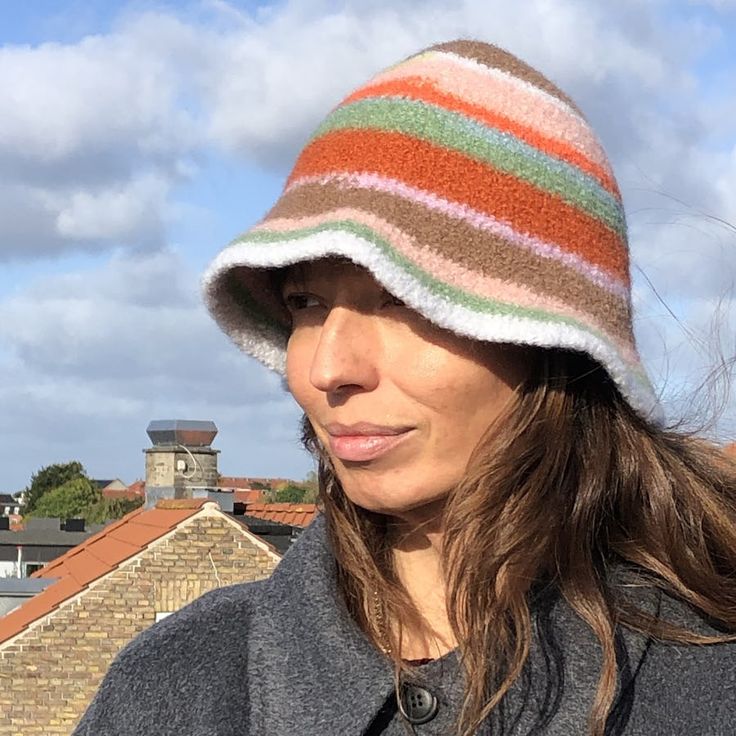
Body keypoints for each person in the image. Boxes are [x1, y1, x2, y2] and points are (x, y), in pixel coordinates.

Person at [72, 39, 736, 736]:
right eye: (305, 304)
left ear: (556, 341)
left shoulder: (708, 678)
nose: (329, 368)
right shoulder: (178, 689)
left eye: (404, 300)